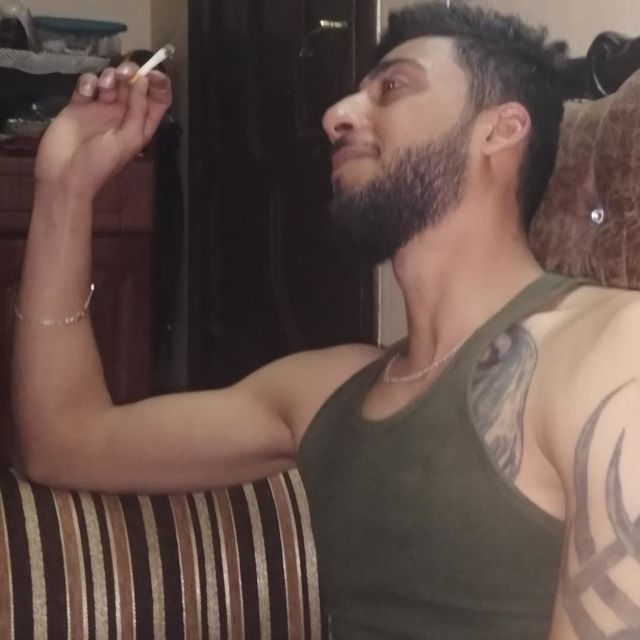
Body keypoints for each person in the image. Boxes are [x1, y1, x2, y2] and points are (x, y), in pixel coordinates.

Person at [11, 2, 640, 639]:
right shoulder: (324, 392)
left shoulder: (607, 352)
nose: (334, 114)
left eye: (392, 88)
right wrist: (66, 187)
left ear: (501, 129)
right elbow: (63, 442)